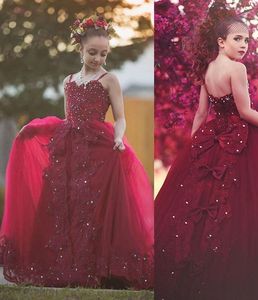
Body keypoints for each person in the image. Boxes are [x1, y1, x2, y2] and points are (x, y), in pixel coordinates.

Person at [155, 2, 258, 299]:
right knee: (235, 206)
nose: (244, 45)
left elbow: (200, 115)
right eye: (238, 39)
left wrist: (195, 148)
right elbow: (245, 112)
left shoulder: (208, 69)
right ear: (221, 41)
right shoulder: (237, 68)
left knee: (202, 209)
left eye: (247, 40)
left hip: (210, 138)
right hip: (235, 138)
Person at [0, 14, 153, 289]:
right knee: (64, 206)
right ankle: (66, 266)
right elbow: (67, 120)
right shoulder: (68, 80)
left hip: (99, 150)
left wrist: (119, 138)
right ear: (80, 48)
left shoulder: (110, 80)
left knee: (94, 210)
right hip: (69, 150)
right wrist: (33, 130)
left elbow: (120, 118)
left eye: (103, 53)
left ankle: (101, 269)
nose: (98, 58)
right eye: (93, 52)